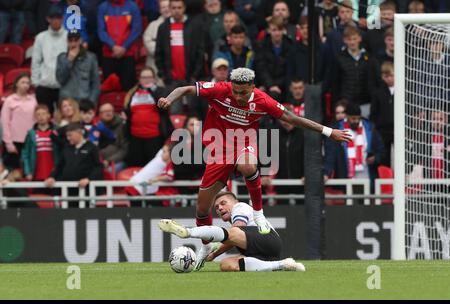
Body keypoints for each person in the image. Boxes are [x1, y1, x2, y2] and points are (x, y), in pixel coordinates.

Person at [157, 67, 352, 269]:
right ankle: (206, 247)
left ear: (252, 86)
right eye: (235, 91)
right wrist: (169, 99)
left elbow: (292, 119)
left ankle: (258, 213)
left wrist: (329, 131)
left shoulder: (262, 100)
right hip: (218, 150)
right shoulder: (220, 89)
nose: (238, 96)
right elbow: (186, 89)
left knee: (247, 165)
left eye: (243, 92)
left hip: (244, 143)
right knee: (202, 207)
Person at [158, 191, 306, 272]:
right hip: (262, 252)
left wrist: (213, 253)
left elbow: (235, 233)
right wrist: (215, 255)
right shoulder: (235, 216)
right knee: (226, 265)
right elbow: (234, 237)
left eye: (223, 203)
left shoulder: (240, 207)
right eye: (216, 208)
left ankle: (188, 232)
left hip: (269, 240)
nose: (220, 208)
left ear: (234, 202)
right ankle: (281, 265)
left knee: (233, 232)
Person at [324, 103, 385, 191]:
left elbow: (381, 150)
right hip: (345, 178)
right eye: (353, 118)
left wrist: (375, 158)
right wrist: (326, 173)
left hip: (367, 176)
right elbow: (330, 155)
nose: (356, 121)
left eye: (358, 118)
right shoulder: (336, 130)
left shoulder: (370, 128)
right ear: (346, 116)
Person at [123, 67, 173, 167]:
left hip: (154, 138)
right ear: (139, 79)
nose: (146, 80)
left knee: (152, 167)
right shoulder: (133, 93)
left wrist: (151, 90)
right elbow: (128, 111)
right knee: (136, 167)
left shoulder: (161, 91)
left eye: (149, 77)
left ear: (154, 79)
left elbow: (164, 108)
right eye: (144, 77)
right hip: (135, 138)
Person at [154, 0, 205, 87]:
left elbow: (200, 52)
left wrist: (195, 75)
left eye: (179, 7)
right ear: (169, 8)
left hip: (190, 78)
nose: (177, 10)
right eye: (174, 8)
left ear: (184, 8)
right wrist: (163, 76)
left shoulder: (194, 26)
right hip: (170, 80)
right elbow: (158, 53)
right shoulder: (163, 28)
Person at [97, 0, 142, 91]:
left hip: (128, 55)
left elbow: (136, 30)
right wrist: (112, 46)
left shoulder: (133, 7)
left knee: (128, 88)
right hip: (109, 55)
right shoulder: (103, 7)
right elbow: (101, 31)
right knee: (109, 90)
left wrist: (124, 47)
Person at [45, 122, 103, 191]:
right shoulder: (66, 148)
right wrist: (52, 177)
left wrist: (88, 179)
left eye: (70, 135)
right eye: (67, 136)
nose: (68, 138)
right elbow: (59, 166)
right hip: (67, 188)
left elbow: (98, 167)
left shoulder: (92, 147)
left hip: (85, 189)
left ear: (79, 133)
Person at [31, 4, 67, 115]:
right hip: (44, 86)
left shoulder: (69, 36)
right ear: (48, 19)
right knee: (45, 118)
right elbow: (36, 61)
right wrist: (36, 82)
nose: (56, 20)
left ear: (62, 18)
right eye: (53, 18)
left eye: (58, 18)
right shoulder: (40, 37)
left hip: (64, 86)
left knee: (64, 120)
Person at [1, 73, 37, 170]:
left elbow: (36, 119)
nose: (26, 85)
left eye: (28, 83)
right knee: (12, 170)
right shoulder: (10, 100)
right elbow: (5, 122)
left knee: (29, 169)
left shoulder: (33, 100)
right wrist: (8, 143)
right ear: (16, 84)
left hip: (30, 140)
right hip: (14, 141)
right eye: (23, 82)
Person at [56, 29, 101, 105]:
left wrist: (91, 102)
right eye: (70, 40)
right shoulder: (62, 58)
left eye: (76, 40)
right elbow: (61, 80)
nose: (73, 43)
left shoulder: (91, 58)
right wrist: (69, 61)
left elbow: (96, 83)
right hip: (66, 101)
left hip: (84, 100)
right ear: (67, 41)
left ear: (80, 41)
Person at [254, 15, 293, 102]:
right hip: (266, 85)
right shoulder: (261, 45)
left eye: (279, 30)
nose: (277, 33)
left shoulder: (290, 46)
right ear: (269, 30)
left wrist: (276, 85)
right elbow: (261, 68)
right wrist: (270, 85)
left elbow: (289, 71)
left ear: (283, 30)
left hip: (284, 88)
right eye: (274, 30)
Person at [21, 104, 60, 182]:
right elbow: (25, 154)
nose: (41, 117)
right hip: (37, 174)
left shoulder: (56, 132)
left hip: (54, 174)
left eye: (43, 114)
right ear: (35, 117)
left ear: (49, 115)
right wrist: (28, 172)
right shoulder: (31, 134)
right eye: (38, 114)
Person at [90, 102, 129, 174]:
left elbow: (124, 150)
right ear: (100, 114)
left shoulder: (122, 126)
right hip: (97, 161)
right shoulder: (95, 126)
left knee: (107, 172)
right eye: (105, 112)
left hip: (116, 162)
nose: (108, 113)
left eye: (110, 111)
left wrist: (108, 161)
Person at [370, 61, 394, 167]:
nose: (389, 79)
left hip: (399, 130)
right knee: (384, 158)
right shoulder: (378, 92)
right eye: (386, 76)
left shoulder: (404, 90)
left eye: (391, 75)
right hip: (383, 131)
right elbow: (374, 112)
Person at [143, 0, 171, 79]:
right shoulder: (153, 25)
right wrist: (166, 50)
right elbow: (147, 42)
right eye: (163, 7)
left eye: (168, 7)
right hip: (155, 65)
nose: (166, 9)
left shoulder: (181, 25)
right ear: (159, 10)